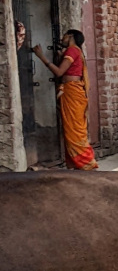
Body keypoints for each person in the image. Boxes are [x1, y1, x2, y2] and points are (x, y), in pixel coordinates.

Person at [33, 29, 98, 169]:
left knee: (74, 130)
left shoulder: (72, 51)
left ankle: (87, 162)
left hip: (72, 91)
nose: (62, 39)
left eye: (64, 36)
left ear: (70, 36)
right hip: (72, 91)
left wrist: (41, 57)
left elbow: (59, 72)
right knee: (71, 129)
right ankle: (77, 163)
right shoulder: (75, 51)